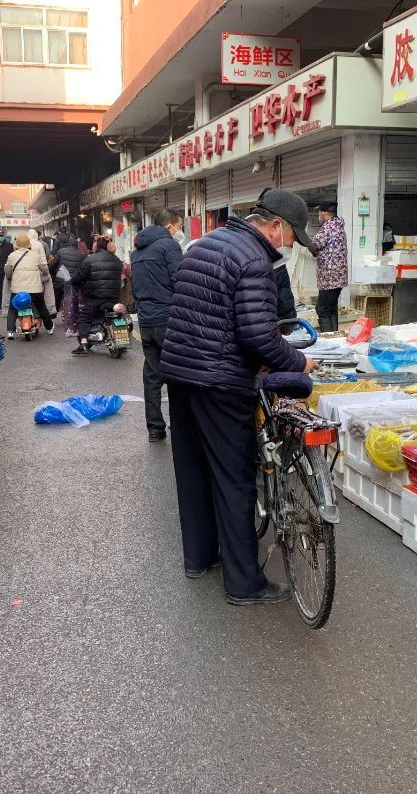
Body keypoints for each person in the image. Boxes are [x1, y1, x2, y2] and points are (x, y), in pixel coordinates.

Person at [161, 188, 317, 605]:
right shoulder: (254, 259)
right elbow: (258, 336)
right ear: (275, 226)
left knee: (193, 471)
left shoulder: (203, 244)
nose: (289, 245)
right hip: (219, 381)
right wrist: (299, 363)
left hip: (180, 374)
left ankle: (200, 558)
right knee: (234, 480)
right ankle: (245, 584)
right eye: (291, 236)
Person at [131, 210, 183, 442]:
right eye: (179, 226)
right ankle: (179, 424)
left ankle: (155, 429)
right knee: (178, 372)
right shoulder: (168, 246)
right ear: (169, 226)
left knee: (152, 375)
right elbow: (180, 282)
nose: (180, 231)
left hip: (146, 320)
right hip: (168, 318)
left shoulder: (137, 250)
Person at [71, 238, 123, 355]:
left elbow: (77, 278)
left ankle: (83, 344)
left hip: (95, 298)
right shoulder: (117, 260)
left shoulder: (89, 260)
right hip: (114, 298)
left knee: (84, 318)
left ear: (96, 247)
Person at [5, 233, 54, 339]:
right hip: (35, 289)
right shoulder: (36, 255)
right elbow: (45, 269)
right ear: (29, 244)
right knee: (41, 307)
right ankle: (49, 328)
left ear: (16, 245)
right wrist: (44, 273)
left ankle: (10, 331)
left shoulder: (12, 256)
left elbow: (7, 271)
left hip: (17, 290)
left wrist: (10, 277)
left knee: (12, 309)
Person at [311, 201, 348, 333]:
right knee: (331, 308)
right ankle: (334, 336)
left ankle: (328, 338)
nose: (319, 214)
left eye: (319, 212)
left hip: (329, 277)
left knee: (322, 309)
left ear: (324, 212)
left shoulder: (328, 227)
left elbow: (314, 244)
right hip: (339, 276)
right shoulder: (339, 226)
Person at [56, 234, 85, 336]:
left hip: (62, 280)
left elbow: (53, 264)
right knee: (73, 301)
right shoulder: (81, 254)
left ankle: (62, 315)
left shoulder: (60, 252)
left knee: (63, 298)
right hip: (75, 281)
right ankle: (73, 319)